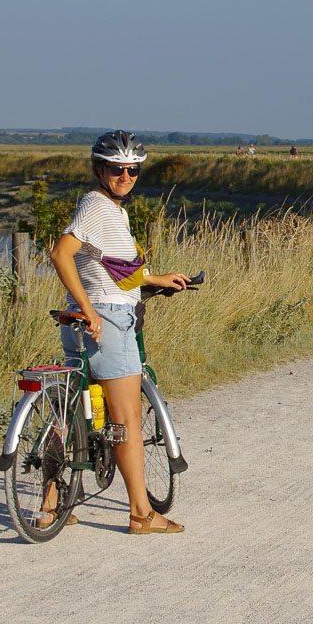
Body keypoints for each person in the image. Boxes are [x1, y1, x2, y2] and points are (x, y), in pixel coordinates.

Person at [45, 130, 196, 535]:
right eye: (117, 169)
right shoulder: (97, 206)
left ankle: (50, 506)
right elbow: (61, 254)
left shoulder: (111, 211)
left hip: (79, 319)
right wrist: (94, 310)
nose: (126, 176)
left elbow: (115, 270)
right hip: (107, 320)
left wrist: (157, 279)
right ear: (99, 170)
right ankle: (141, 514)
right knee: (126, 418)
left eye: (133, 170)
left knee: (72, 408)